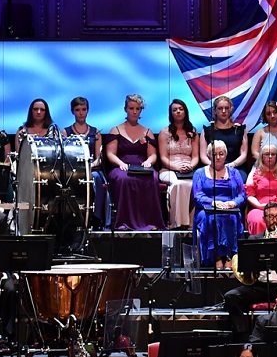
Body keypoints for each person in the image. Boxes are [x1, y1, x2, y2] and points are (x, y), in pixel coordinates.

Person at [104, 93, 164, 230]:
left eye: (138, 108)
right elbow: (110, 153)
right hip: (122, 166)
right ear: (126, 109)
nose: (135, 111)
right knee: (123, 179)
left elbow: (153, 154)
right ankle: (124, 223)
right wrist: (120, 164)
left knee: (153, 178)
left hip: (142, 166)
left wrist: (149, 161)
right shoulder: (116, 130)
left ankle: (149, 222)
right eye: (131, 108)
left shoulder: (147, 131)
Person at [191, 138, 245, 269]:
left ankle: (229, 256)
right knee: (211, 218)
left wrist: (233, 203)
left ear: (226, 155)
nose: (218, 157)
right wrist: (213, 202)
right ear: (209, 155)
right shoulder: (200, 173)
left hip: (229, 207)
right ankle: (215, 256)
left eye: (221, 154)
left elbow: (242, 194)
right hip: (207, 208)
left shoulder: (234, 172)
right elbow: (197, 195)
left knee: (232, 217)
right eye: (214, 154)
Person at [157, 99, 204, 229]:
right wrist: (177, 167)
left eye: (180, 109)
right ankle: (176, 223)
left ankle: (191, 223)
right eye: (175, 110)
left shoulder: (193, 132)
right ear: (171, 113)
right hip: (169, 169)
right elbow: (163, 158)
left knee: (194, 184)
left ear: (185, 111)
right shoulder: (164, 133)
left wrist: (191, 166)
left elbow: (195, 157)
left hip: (189, 168)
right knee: (178, 184)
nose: (178, 112)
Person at [244, 142, 277, 234]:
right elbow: (249, 195)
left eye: (273, 154)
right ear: (262, 157)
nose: (270, 156)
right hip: (259, 208)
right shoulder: (254, 174)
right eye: (267, 154)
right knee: (257, 221)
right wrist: (259, 206)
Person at [204, 94, 249, 171]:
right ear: (215, 110)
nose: (224, 111)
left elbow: (243, 155)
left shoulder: (240, 130)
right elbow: (203, 156)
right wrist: (216, 166)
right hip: (212, 168)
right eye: (220, 108)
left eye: (227, 108)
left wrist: (231, 165)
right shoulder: (207, 131)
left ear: (231, 109)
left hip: (235, 167)